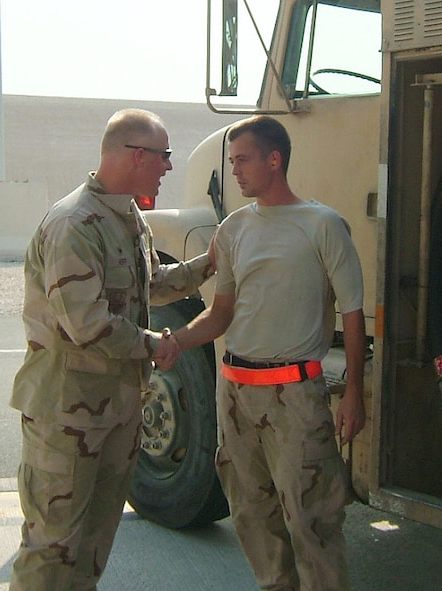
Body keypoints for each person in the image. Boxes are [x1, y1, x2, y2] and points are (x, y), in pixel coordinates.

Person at [9, 108, 214, 591]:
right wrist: (158, 345)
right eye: (163, 157)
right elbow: (89, 325)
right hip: (67, 417)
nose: (168, 167)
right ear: (136, 155)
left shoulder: (127, 216)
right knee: (51, 552)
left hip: (115, 415)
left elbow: (150, 286)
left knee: (91, 550)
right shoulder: (73, 224)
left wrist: (211, 262)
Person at [174, 115, 366, 591]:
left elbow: (354, 315)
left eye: (243, 160)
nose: (235, 171)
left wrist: (354, 393)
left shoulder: (323, 225)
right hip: (236, 395)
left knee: (312, 522)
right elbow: (220, 315)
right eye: (232, 160)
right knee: (252, 517)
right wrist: (173, 342)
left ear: (274, 160)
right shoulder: (234, 227)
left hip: (295, 398)